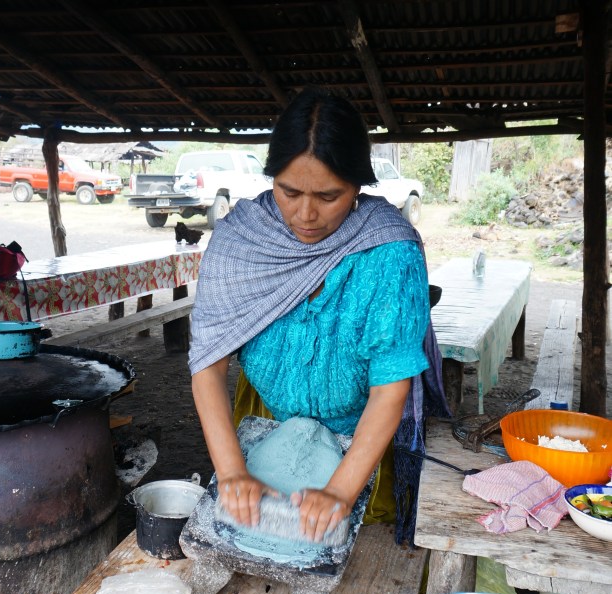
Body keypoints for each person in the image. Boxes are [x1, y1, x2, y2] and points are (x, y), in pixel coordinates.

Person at [189, 87, 449, 545]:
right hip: (265, 418)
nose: (306, 214)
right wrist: (231, 473)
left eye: (329, 196)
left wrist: (339, 492)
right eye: (289, 191)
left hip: (365, 438)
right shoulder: (239, 244)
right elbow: (207, 366)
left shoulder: (389, 252)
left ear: (358, 185)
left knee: (351, 545)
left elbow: (391, 388)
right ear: (271, 178)